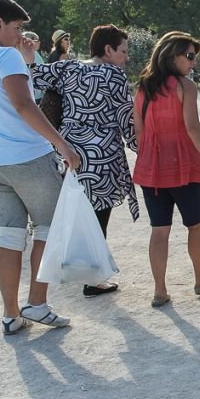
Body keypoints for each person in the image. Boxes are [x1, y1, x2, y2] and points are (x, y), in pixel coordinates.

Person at [0, 0, 81, 334]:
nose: (19, 35)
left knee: (8, 235)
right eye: (16, 27)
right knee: (49, 227)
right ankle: (37, 303)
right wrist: (63, 144)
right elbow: (24, 106)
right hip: (27, 157)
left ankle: (11, 313)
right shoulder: (5, 55)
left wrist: (24, 60)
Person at [31, 24, 138, 298]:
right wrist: (142, 149)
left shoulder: (70, 67)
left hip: (69, 149)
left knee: (76, 208)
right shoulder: (115, 76)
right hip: (102, 153)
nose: (126, 57)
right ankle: (93, 277)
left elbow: (33, 75)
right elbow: (126, 121)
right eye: (123, 51)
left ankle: (80, 267)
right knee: (98, 213)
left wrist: (26, 52)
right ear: (108, 49)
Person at [132, 31, 200, 307]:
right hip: (184, 166)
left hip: (152, 169)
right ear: (171, 55)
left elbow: (139, 130)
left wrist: (151, 155)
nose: (192, 62)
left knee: (159, 230)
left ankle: (160, 291)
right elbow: (192, 127)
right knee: (195, 225)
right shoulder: (185, 87)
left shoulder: (143, 87)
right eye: (188, 56)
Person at [22, 31, 45, 102]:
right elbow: (39, 72)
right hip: (35, 94)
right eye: (37, 41)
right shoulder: (34, 54)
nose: (39, 43)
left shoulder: (20, 53)